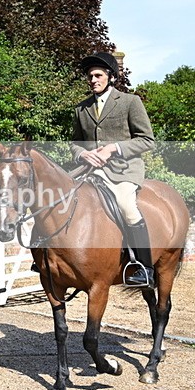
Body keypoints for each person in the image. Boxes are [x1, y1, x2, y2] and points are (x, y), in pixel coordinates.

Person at [69, 52, 156, 288]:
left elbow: (147, 140)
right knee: (60, 195)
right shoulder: (81, 109)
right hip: (90, 170)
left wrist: (113, 149)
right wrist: (82, 153)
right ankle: (49, 258)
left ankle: (144, 269)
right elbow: (75, 142)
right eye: (90, 76)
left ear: (110, 76)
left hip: (123, 170)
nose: (93, 80)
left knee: (127, 206)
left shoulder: (130, 102)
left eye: (97, 75)